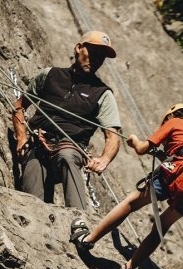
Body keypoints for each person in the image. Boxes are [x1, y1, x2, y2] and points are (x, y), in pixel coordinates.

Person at [70, 103, 183, 269]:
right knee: (162, 225)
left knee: (132, 202)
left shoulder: (174, 122)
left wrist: (133, 141)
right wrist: (159, 154)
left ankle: (87, 241)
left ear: (171, 116)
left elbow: (140, 148)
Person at [12, 31, 121, 210]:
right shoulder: (50, 75)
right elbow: (19, 107)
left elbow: (113, 135)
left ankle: (79, 219)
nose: (97, 60)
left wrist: (104, 159)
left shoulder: (102, 93)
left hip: (69, 148)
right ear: (79, 48)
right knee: (33, 197)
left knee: (67, 157)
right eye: (93, 53)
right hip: (38, 145)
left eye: (101, 57)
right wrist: (22, 137)